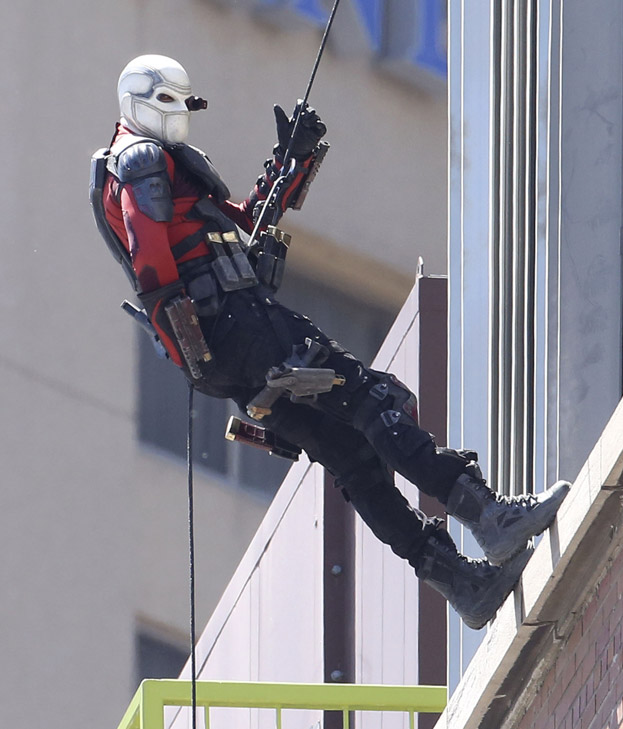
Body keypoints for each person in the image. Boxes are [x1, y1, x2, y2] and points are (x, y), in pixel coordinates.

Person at [90, 55, 570, 630]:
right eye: (170, 102)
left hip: (228, 360)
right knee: (373, 402)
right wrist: (198, 337)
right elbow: (154, 267)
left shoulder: (149, 164)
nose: (180, 115)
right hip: (240, 326)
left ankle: (464, 585)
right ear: (140, 101)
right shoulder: (142, 159)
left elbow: (245, 223)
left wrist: (291, 163)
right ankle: (489, 518)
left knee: (354, 456)